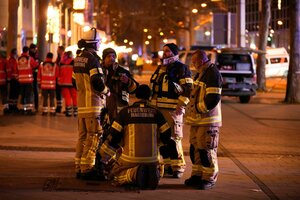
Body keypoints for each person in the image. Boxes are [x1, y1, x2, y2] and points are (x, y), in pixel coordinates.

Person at [99, 84, 172, 189]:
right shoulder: (157, 113)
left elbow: (114, 136)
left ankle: (134, 174)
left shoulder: (125, 112)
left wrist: (105, 158)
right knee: (156, 165)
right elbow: (167, 135)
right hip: (152, 159)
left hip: (130, 159)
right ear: (149, 97)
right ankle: (154, 173)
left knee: (115, 175)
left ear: (136, 96)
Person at [149, 43, 193, 178]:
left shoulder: (182, 68)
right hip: (158, 110)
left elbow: (188, 89)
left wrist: (182, 105)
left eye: (167, 51)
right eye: (164, 51)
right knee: (162, 138)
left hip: (173, 110)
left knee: (174, 138)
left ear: (174, 53)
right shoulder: (160, 68)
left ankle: (178, 167)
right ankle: (168, 165)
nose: (165, 54)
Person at [73, 27, 109, 180]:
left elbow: (73, 82)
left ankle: (79, 167)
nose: (100, 45)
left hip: (82, 105)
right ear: (94, 44)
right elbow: (97, 81)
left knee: (82, 137)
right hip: (94, 105)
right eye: (99, 42)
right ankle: (88, 168)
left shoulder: (78, 58)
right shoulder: (93, 59)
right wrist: (106, 91)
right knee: (94, 136)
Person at [184, 50, 222, 190]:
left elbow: (213, 98)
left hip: (208, 120)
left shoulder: (212, 73)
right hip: (197, 120)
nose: (192, 65)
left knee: (206, 149)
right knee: (196, 148)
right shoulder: (201, 72)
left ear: (200, 61)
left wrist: (199, 109)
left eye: (194, 62)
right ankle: (197, 175)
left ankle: (209, 178)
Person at [102, 47, 138, 122]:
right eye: (108, 56)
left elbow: (135, 89)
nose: (111, 58)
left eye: (113, 56)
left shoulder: (123, 72)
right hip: (103, 109)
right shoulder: (99, 72)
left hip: (120, 109)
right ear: (104, 59)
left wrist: (128, 81)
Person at [17, 46, 38, 115]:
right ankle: (29, 110)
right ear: (27, 51)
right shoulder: (29, 58)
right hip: (28, 80)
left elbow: (16, 68)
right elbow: (35, 65)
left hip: (21, 80)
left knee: (22, 95)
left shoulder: (19, 59)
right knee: (28, 95)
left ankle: (22, 109)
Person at [58, 51, 77, 117]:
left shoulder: (61, 63)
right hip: (72, 83)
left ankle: (68, 112)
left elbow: (59, 73)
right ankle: (75, 112)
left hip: (64, 83)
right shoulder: (74, 62)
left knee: (67, 97)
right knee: (75, 97)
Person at [7, 48, 20, 113]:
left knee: (13, 94)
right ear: (14, 53)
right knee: (14, 94)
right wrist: (17, 78)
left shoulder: (12, 60)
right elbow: (14, 70)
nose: (17, 54)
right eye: (16, 53)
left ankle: (12, 106)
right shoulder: (12, 60)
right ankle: (13, 106)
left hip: (13, 79)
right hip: (14, 79)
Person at [29, 43, 40, 112]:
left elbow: (37, 65)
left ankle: (36, 106)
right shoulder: (29, 56)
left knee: (35, 91)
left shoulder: (36, 56)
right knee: (30, 92)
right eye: (34, 49)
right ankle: (31, 106)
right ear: (31, 49)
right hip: (29, 76)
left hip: (35, 76)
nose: (35, 50)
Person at [55, 45, 65, 113]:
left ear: (61, 50)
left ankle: (61, 107)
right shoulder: (58, 57)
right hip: (58, 78)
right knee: (58, 93)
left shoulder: (63, 58)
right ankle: (59, 107)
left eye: (58, 50)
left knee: (63, 93)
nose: (57, 51)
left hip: (62, 78)